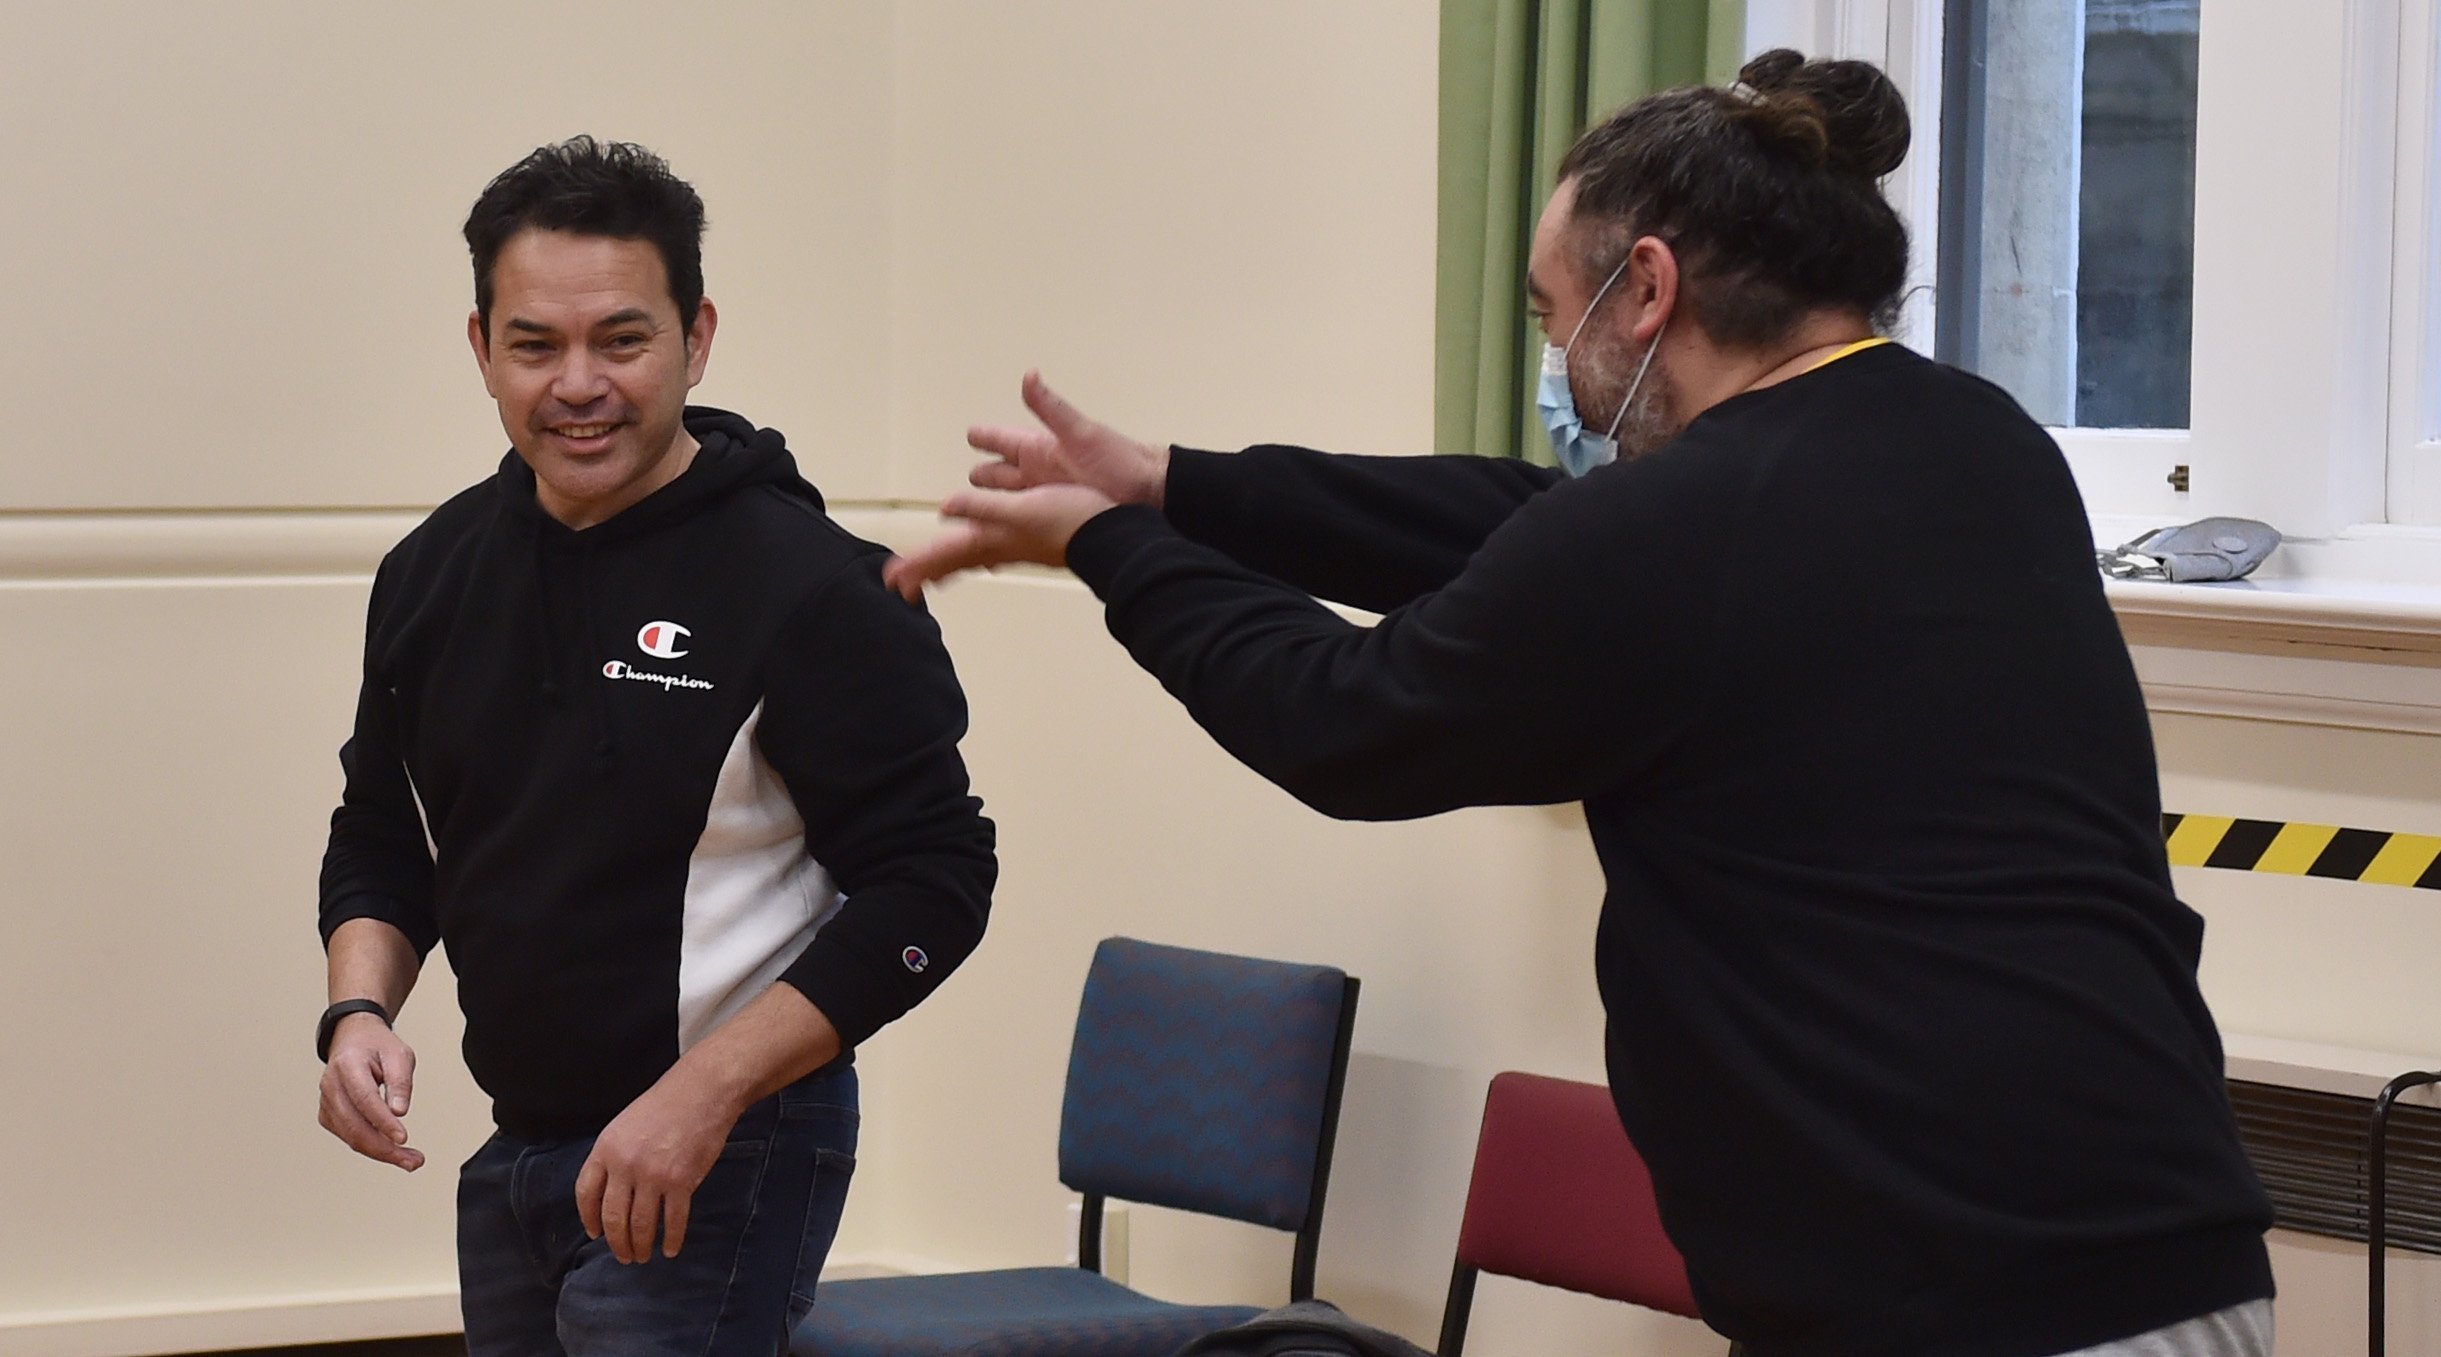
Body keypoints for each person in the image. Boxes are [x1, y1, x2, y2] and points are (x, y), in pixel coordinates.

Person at [884, 52, 2273, 1357]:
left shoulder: (1686, 530)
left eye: (1556, 313)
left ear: (1647, 286)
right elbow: (1542, 526)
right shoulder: (1977, 444)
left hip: (1967, 1300)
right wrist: (1177, 482)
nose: (1556, 355)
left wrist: (1108, 547)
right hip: (2164, 1256)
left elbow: (1345, 718)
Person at [315, 137, 996, 1357]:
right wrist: (356, 1012)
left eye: (621, 340)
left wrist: (704, 1092)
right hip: (518, 1146)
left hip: (727, 1142)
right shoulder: (429, 574)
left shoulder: (818, 590)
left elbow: (935, 882)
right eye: (535, 344)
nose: (578, 383)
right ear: (481, 349)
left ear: (697, 337)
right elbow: (380, 830)